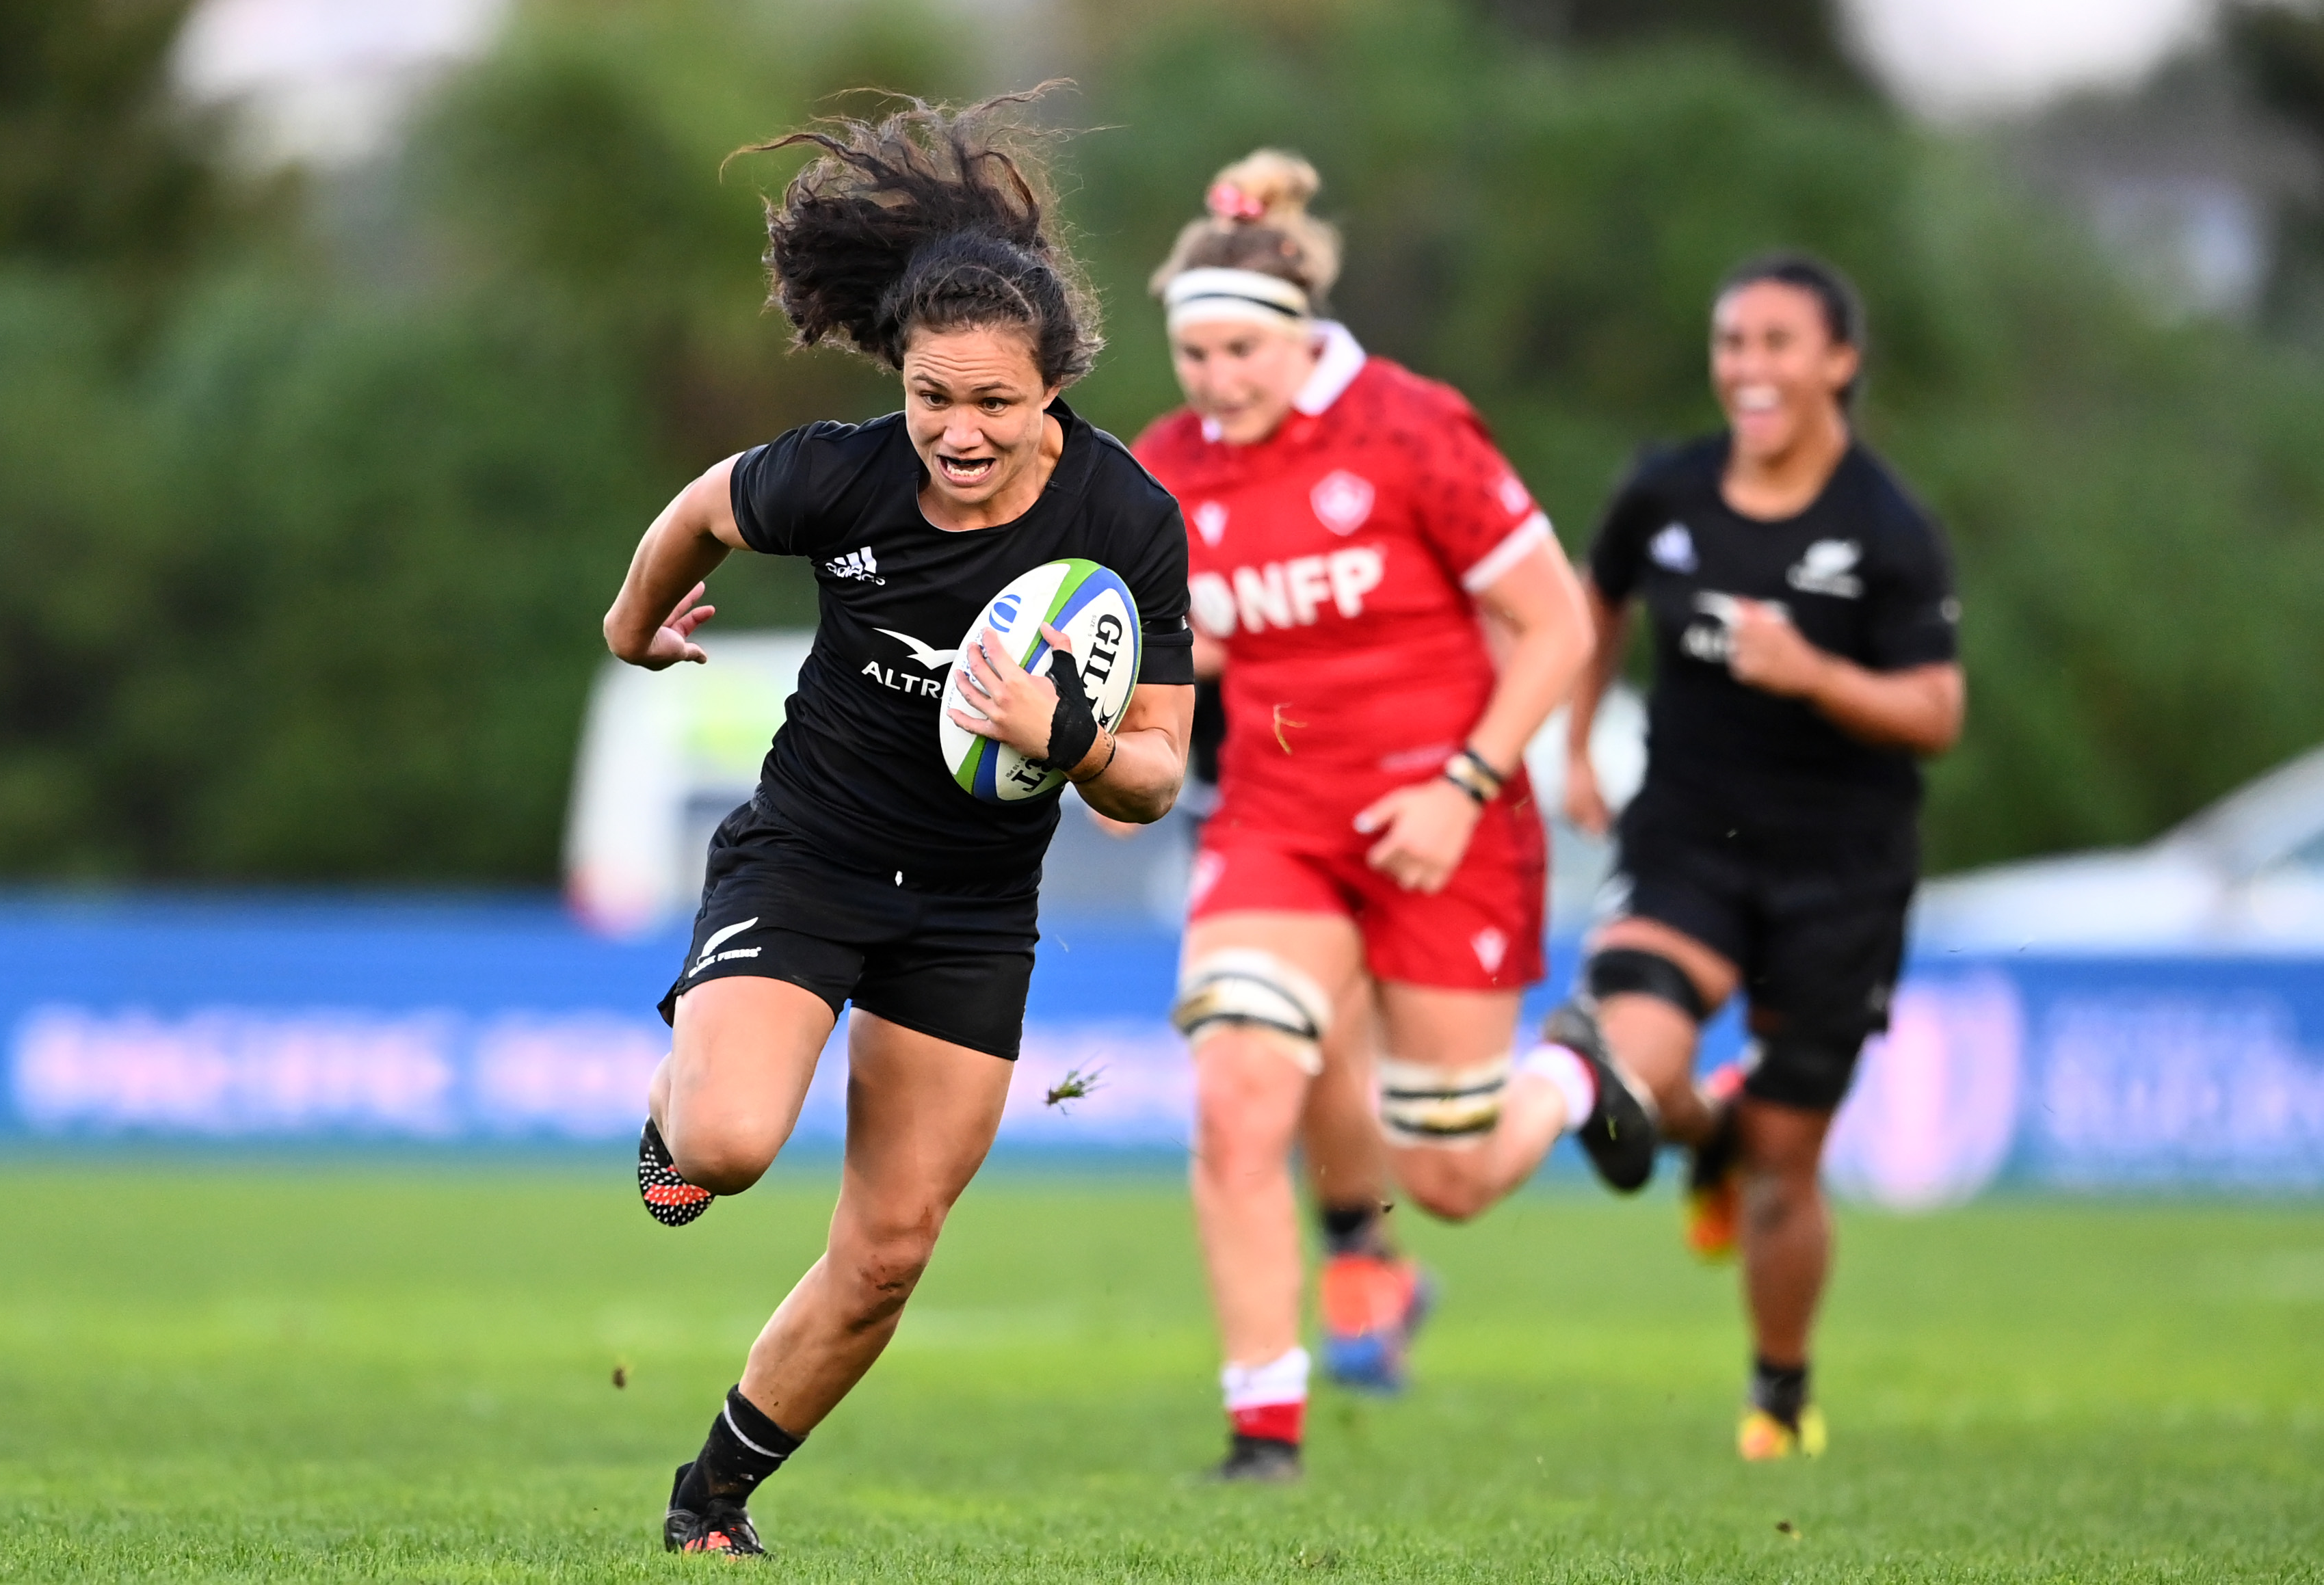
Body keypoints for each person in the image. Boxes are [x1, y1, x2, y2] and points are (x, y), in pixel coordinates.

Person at [601, 92, 1194, 1555]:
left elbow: (1156, 780)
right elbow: (697, 506)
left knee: (887, 1252)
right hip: (806, 854)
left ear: (1052, 385)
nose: (960, 432)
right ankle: (672, 1116)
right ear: (904, 379)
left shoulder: (1125, 521)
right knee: (729, 1145)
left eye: (994, 404)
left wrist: (1062, 738)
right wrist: (631, 629)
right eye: (935, 398)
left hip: (973, 905)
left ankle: (711, 1501)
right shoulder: (844, 472)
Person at [1132, 150, 1657, 1483]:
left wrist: (1460, 787)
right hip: (1275, 822)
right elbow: (1173, 654)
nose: (1214, 381)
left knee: (1450, 1180)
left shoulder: (1411, 428)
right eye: (1192, 354)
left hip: (1453, 822)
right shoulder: (1166, 468)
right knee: (1238, 1094)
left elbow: (1551, 624)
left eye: (1239, 350)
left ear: (1300, 334)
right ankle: (1262, 1425)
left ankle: (1572, 1071)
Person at [1562, 252, 1965, 1461]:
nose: (1748, 366)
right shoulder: (1667, 492)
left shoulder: (1887, 528)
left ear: (1837, 361)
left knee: (1790, 1160)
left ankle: (1779, 1396)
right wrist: (1575, 744)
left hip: (1840, 866)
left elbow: (1937, 713)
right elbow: (1595, 598)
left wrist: (1817, 674)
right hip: (1686, 835)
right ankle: (1681, 1121)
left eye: (1776, 342)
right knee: (1623, 1063)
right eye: (1731, 341)